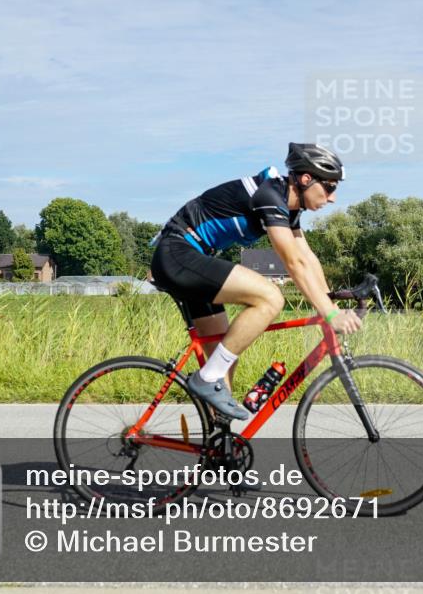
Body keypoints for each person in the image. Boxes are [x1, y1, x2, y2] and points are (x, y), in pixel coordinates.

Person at [150, 143, 362, 420]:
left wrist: (330, 300)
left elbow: (307, 258)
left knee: (224, 357)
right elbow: (292, 263)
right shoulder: (269, 196)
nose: (332, 198)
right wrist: (329, 313)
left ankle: (218, 448)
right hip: (177, 254)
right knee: (270, 297)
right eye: (330, 188)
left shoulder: (290, 208)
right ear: (307, 179)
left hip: (193, 259)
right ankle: (206, 380)